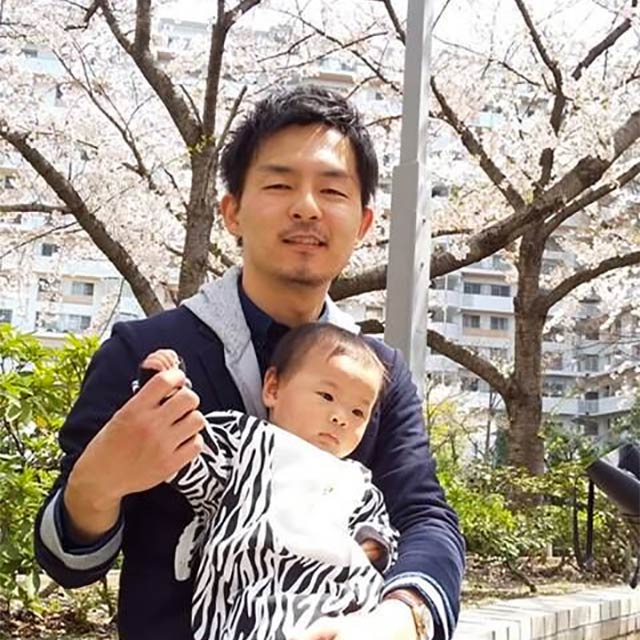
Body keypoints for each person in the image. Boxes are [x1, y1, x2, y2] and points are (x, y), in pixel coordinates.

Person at [34, 85, 465, 640]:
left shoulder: (378, 374)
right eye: (280, 184)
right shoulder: (140, 353)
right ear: (232, 211)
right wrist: (96, 486)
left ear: (362, 224)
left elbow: (423, 516)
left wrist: (401, 616)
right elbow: (68, 563)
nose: (306, 207)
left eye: (332, 190)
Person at [140, 323, 398, 640]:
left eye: (358, 412)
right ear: (273, 388)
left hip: (342, 605)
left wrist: (374, 545)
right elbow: (189, 457)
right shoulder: (246, 441)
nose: (341, 417)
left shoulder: (358, 481)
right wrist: (167, 392)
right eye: (327, 396)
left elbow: (381, 531)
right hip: (255, 601)